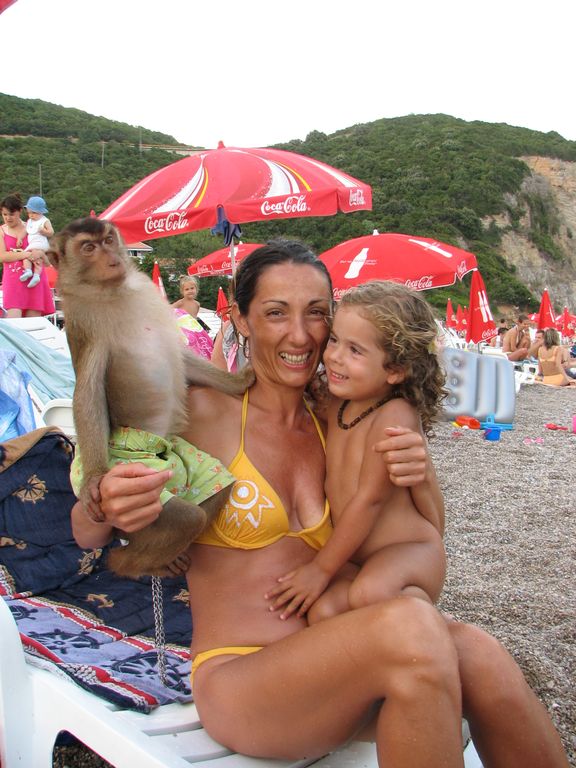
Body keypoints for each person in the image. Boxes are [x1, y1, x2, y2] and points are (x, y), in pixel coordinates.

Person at [71, 241, 568, 768]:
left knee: (482, 655)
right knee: (413, 631)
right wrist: (105, 504)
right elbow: (87, 532)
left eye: (316, 313)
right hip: (245, 680)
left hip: (347, 660)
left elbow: (425, 533)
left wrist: (421, 472)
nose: (301, 335)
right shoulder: (201, 411)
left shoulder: (345, 416)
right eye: (275, 313)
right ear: (239, 319)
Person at [266, 281, 446, 622]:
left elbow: (369, 500)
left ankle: (436, 632)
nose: (334, 356)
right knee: (323, 612)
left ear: (395, 370)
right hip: (361, 557)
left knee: (370, 593)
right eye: (334, 340)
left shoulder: (395, 416)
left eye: (355, 351)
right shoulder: (337, 404)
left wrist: (320, 570)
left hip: (408, 551)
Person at [0, 193, 55, 318]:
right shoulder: (1, 231)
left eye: (11, 214)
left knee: (33, 323)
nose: (8, 218)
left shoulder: (33, 227)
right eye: (5, 214)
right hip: (13, 281)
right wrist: (26, 255)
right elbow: (2, 256)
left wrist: (39, 254)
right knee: (13, 321)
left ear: (20, 211)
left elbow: (47, 259)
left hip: (35, 280)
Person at [20, 195, 54, 288]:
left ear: (41, 212)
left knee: (35, 255)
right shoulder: (29, 221)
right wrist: (20, 238)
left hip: (40, 244)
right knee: (27, 257)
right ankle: (29, 271)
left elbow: (51, 232)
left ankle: (36, 274)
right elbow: (25, 231)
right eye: (29, 213)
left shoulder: (44, 221)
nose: (31, 215)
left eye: (34, 213)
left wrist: (44, 231)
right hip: (32, 244)